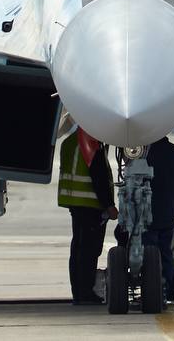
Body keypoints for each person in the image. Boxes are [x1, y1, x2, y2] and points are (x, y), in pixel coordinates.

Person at [57, 127, 117, 305]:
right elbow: (98, 175)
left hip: (75, 202)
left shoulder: (69, 141)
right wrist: (109, 205)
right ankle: (85, 293)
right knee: (88, 251)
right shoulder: (89, 141)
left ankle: (78, 292)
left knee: (78, 248)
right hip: (89, 203)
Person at [144, 135, 174, 301]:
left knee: (148, 251)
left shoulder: (144, 152)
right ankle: (166, 289)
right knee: (166, 252)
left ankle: (150, 288)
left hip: (147, 212)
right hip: (167, 211)